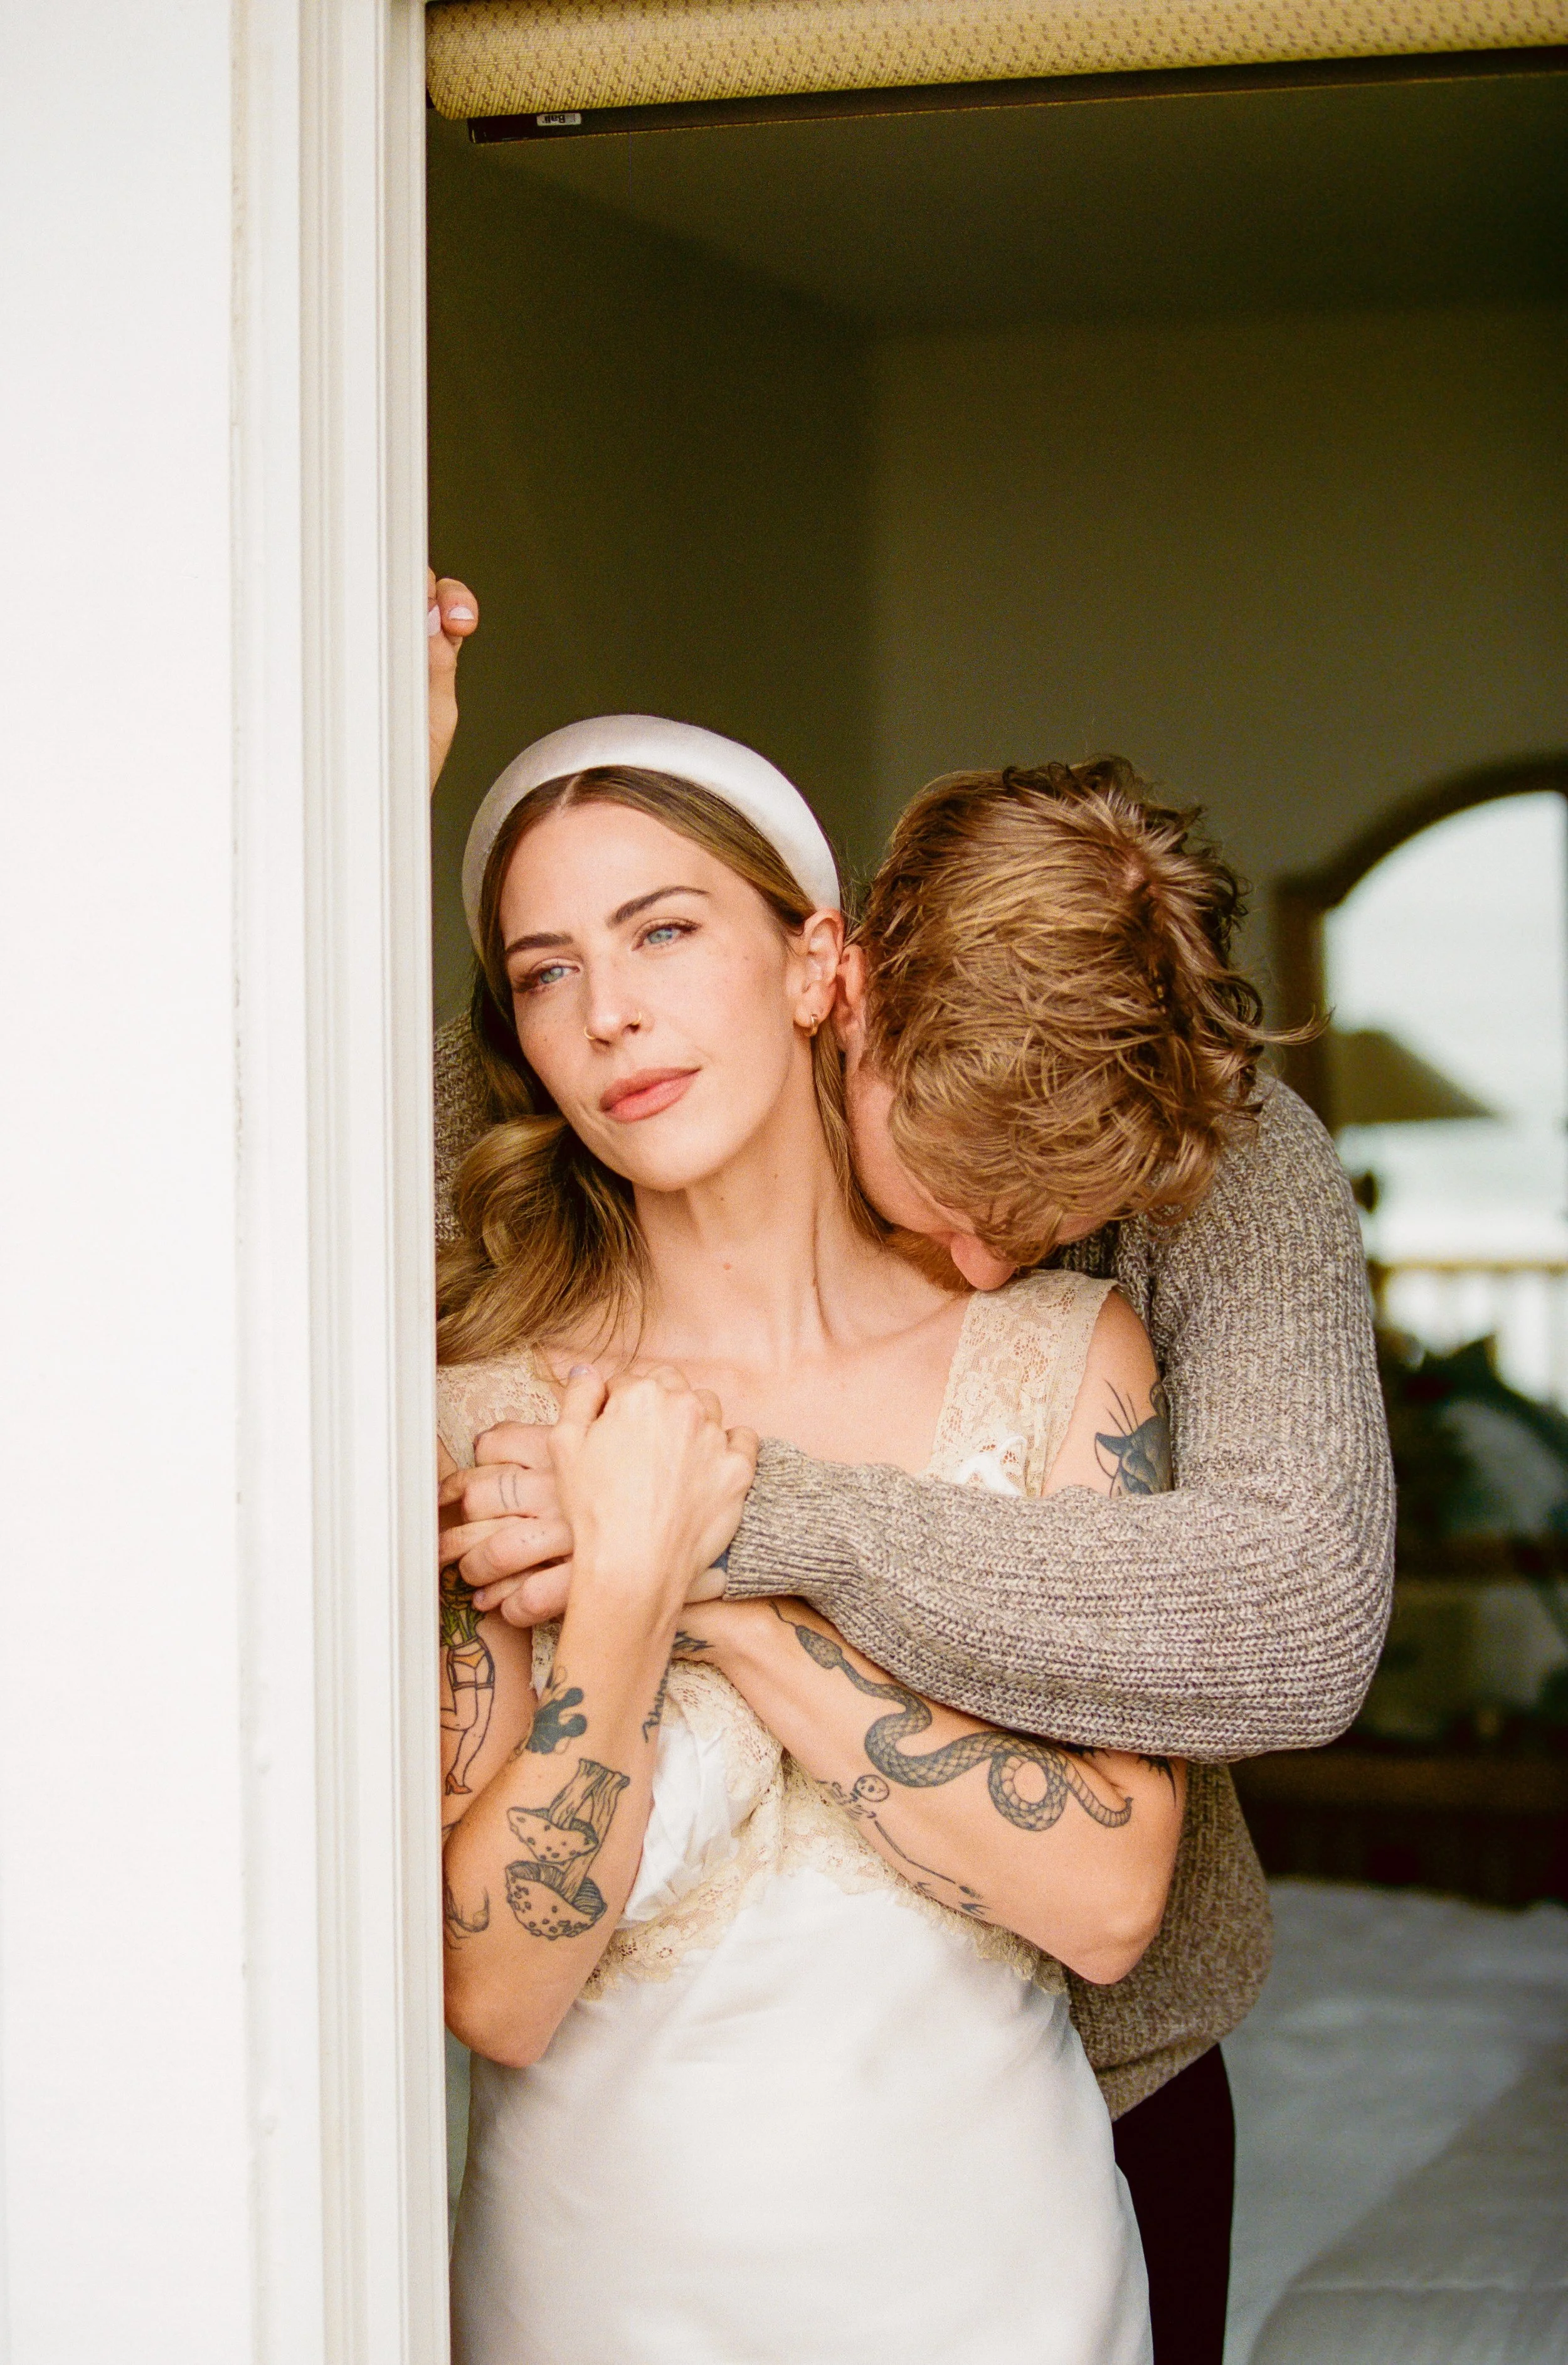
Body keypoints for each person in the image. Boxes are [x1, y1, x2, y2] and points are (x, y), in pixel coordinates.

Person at [425, 577, 1395, 2364]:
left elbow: (1291, 1628)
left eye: (1042, 1226)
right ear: (846, 982)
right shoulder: (535, 1223)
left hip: (1071, 2120)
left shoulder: (1191, 1171)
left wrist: (718, 1536)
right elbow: (285, 1125)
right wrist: (354, 806)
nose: (988, 1262)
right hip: (604, 2241)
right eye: (961, 1201)